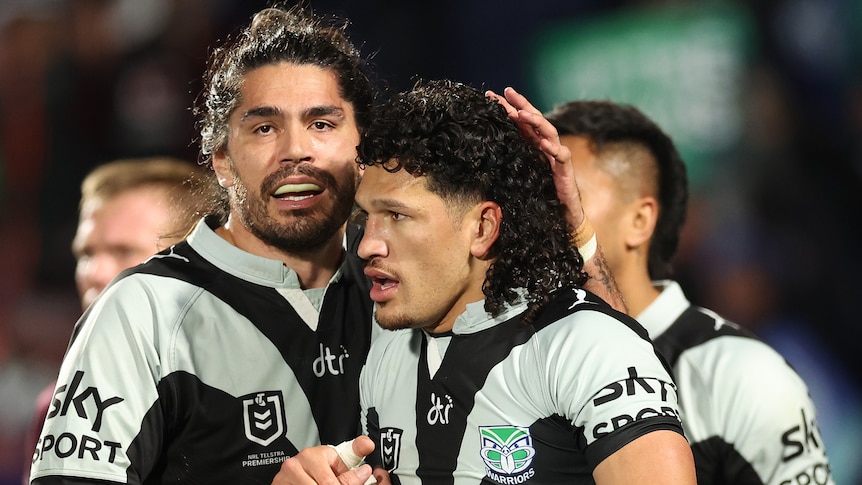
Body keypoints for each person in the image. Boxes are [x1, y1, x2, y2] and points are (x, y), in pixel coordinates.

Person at [28, 6, 622, 485]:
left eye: (322, 123)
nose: (296, 150)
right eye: (263, 127)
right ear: (222, 162)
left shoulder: (424, 278)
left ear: (362, 149)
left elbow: (617, 385)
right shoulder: (143, 312)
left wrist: (574, 233)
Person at [274, 79, 697, 485]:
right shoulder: (386, 349)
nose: (366, 246)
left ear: (482, 228)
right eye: (366, 218)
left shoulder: (584, 344)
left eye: (398, 216)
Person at [544, 100, 834, 485]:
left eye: (566, 194)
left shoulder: (738, 375)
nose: (539, 214)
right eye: (532, 196)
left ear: (639, 220)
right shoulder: (509, 366)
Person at [22, 156, 209, 484]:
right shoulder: (61, 406)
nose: (95, 273)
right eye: (86, 254)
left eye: (123, 251)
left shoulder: (273, 378)